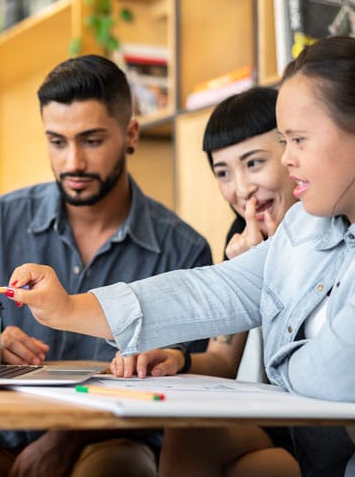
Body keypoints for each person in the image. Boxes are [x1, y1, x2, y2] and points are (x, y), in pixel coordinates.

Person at [5, 36, 355, 476]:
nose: (288, 159)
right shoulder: (311, 222)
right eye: (283, 141)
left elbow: (343, 377)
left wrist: (280, 360)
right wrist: (70, 308)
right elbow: (213, 288)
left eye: (298, 140)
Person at [0, 54, 213, 477]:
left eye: (92, 140)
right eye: (57, 141)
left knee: (119, 470)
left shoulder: (182, 250)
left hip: (111, 440)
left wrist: (68, 438)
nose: (73, 163)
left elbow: (182, 388)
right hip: (0, 436)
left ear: (131, 134)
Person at [110, 86, 301, 476]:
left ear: (292, 151)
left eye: (254, 163)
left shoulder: (325, 223)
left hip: (327, 422)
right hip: (277, 419)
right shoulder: (242, 232)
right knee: (189, 428)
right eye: (223, 173)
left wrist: (264, 271)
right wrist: (177, 359)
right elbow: (223, 358)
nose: (241, 189)